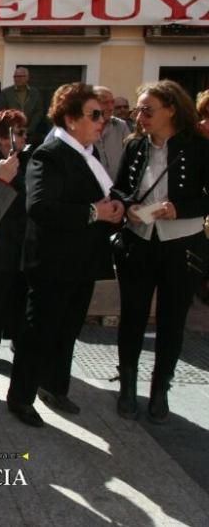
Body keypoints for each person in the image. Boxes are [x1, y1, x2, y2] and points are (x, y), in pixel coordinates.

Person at [7, 83, 123, 427]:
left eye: (103, 114)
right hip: (52, 263)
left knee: (68, 328)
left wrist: (119, 205)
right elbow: (40, 207)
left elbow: (104, 192)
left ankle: (55, 386)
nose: (102, 121)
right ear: (72, 120)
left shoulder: (89, 152)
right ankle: (21, 398)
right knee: (40, 331)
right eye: (95, 114)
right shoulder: (50, 153)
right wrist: (94, 212)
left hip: (82, 261)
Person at [111, 80, 209, 423]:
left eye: (147, 109)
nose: (140, 116)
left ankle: (160, 390)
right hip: (138, 239)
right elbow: (119, 188)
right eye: (138, 109)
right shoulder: (135, 145)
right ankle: (127, 386)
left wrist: (179, 208)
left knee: (172, 320)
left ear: (171, 108)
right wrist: (129, 207)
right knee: (133, 316)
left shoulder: (198, 146)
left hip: (181, 244)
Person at [0, 111, 31, 351]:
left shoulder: (20, 159)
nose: (25, 137)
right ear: (3, 137)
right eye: (19, 132)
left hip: (15, 242)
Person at [1, 67, 48, 145]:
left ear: (27, 77)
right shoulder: (6, 93)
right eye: (15, 76)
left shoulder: (35, 93)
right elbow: (2, 111)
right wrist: (14, 127)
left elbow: (39, 112)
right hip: (12, 133)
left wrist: (30, 128)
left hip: (31, 133)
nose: (17, 79)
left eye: (20, 76)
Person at [93, 85, 131, 180]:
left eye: (112, 102)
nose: (110, 107)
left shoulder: (121, 126)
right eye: (105, 102)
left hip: (116, 188)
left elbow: (130, 155)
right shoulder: (83, 126)